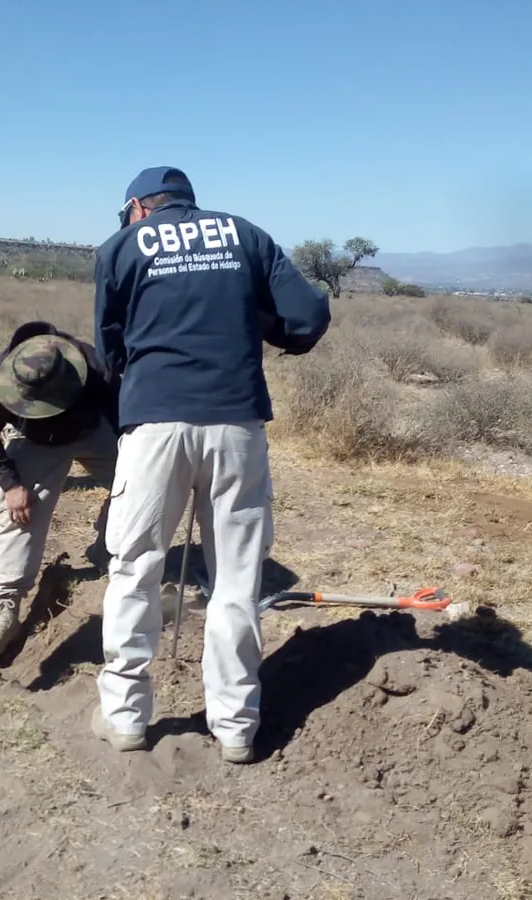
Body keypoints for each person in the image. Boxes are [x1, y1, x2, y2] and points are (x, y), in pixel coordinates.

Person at [90, 166, 331, 763]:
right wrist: (254, 324)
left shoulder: (122, 247)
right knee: (237, 578)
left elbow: (108, 347)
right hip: (234, 424)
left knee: (135, 566)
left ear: (139, 209)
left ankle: (124, 718)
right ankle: (236, 727)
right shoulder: (246, 236)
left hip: (153, 424)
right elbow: (307, 319)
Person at [0, 321, 120, 657]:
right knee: (18, 511)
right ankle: (6, 608)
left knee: (140, 487)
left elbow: (121, 417)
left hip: (92, 431)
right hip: (34, 440)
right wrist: (11, 484)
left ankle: (109, 548)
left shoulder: (94, 368)